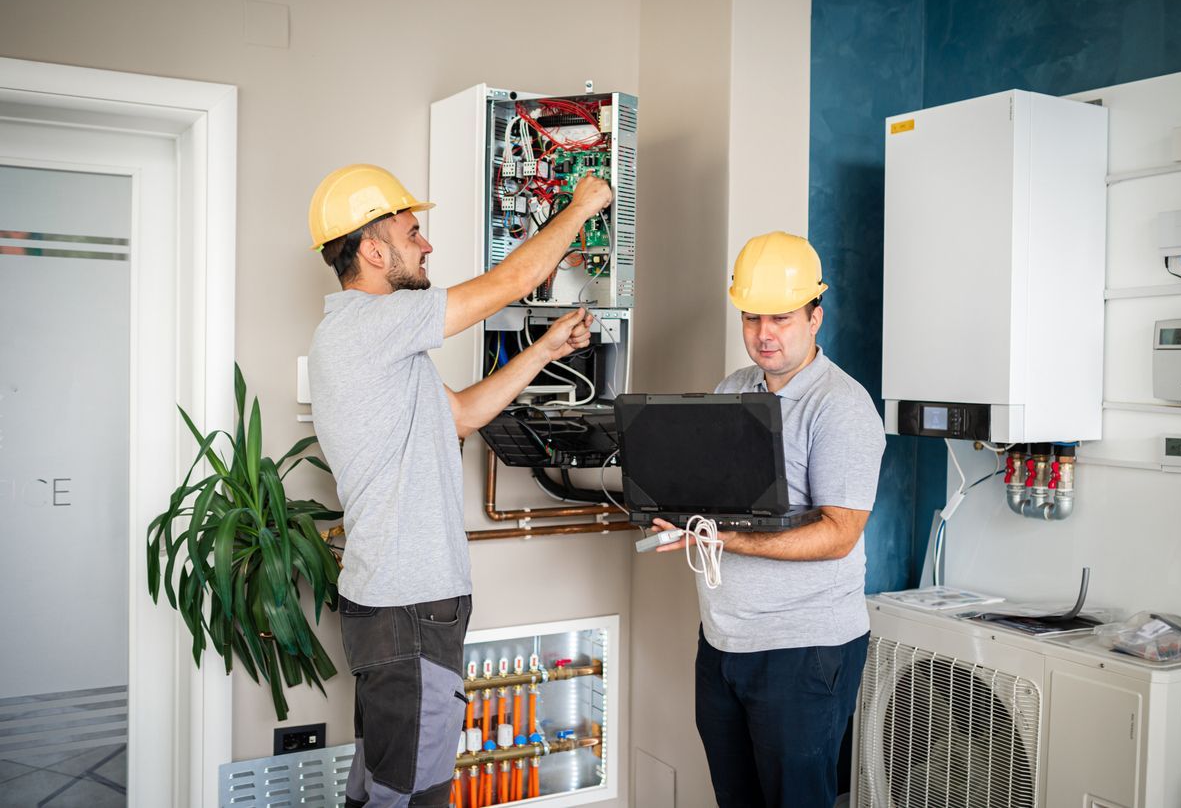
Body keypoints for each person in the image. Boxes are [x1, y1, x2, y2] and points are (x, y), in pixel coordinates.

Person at [305, 163, 612, 808]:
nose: (427, 244)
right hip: (410, 611)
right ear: (372, 248)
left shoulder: (371, 342)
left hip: (392, 608)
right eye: (413, 231)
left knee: (381, 790)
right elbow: (513, 280)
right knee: (415, 796)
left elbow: (463, 416)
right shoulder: (371, 325)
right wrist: (584, 205)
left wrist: (547, 350)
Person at [651, 230, 886, 807]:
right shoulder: (734, 389)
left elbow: (838, 535)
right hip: (725, 641)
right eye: (753, 318)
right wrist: (677, 508)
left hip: (803, 652)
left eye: (781, 318)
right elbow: (715, 492)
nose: (764, 334)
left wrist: (725, 541)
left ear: (815, 318)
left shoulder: (842, 407)